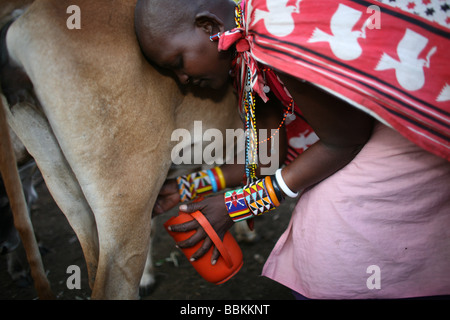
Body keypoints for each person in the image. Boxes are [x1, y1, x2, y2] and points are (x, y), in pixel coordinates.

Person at [134, 0, 450, 299]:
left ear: (207, 26)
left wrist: (237, 206)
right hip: (366, 133)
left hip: (417, 126)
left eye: (178, 62)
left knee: (330, 232)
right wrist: (186, 186)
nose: (183, 78)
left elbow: (344, 141)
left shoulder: (275, 36)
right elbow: (267, 161)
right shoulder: (249, 64)